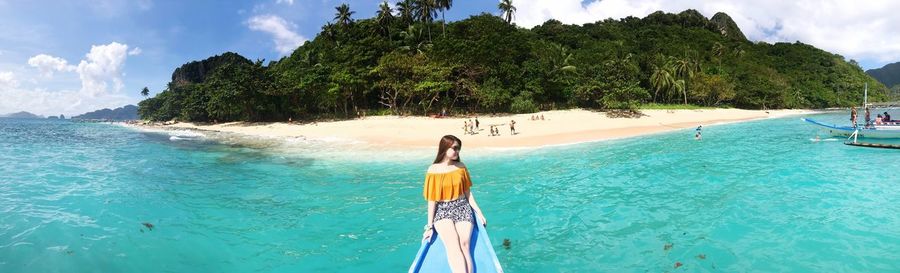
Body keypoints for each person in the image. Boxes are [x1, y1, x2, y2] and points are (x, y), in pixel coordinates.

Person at [422, 135, 488, 273]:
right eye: (455, 148)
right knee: (453, 244)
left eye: (459, 148)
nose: (458, 151)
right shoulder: (433, 170)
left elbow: (468, 194)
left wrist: (479, 213)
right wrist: (429, 226)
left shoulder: (461, 167)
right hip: (443, 210)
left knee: (464, 244)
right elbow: (432, 200)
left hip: (462, 206)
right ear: (445, 148)